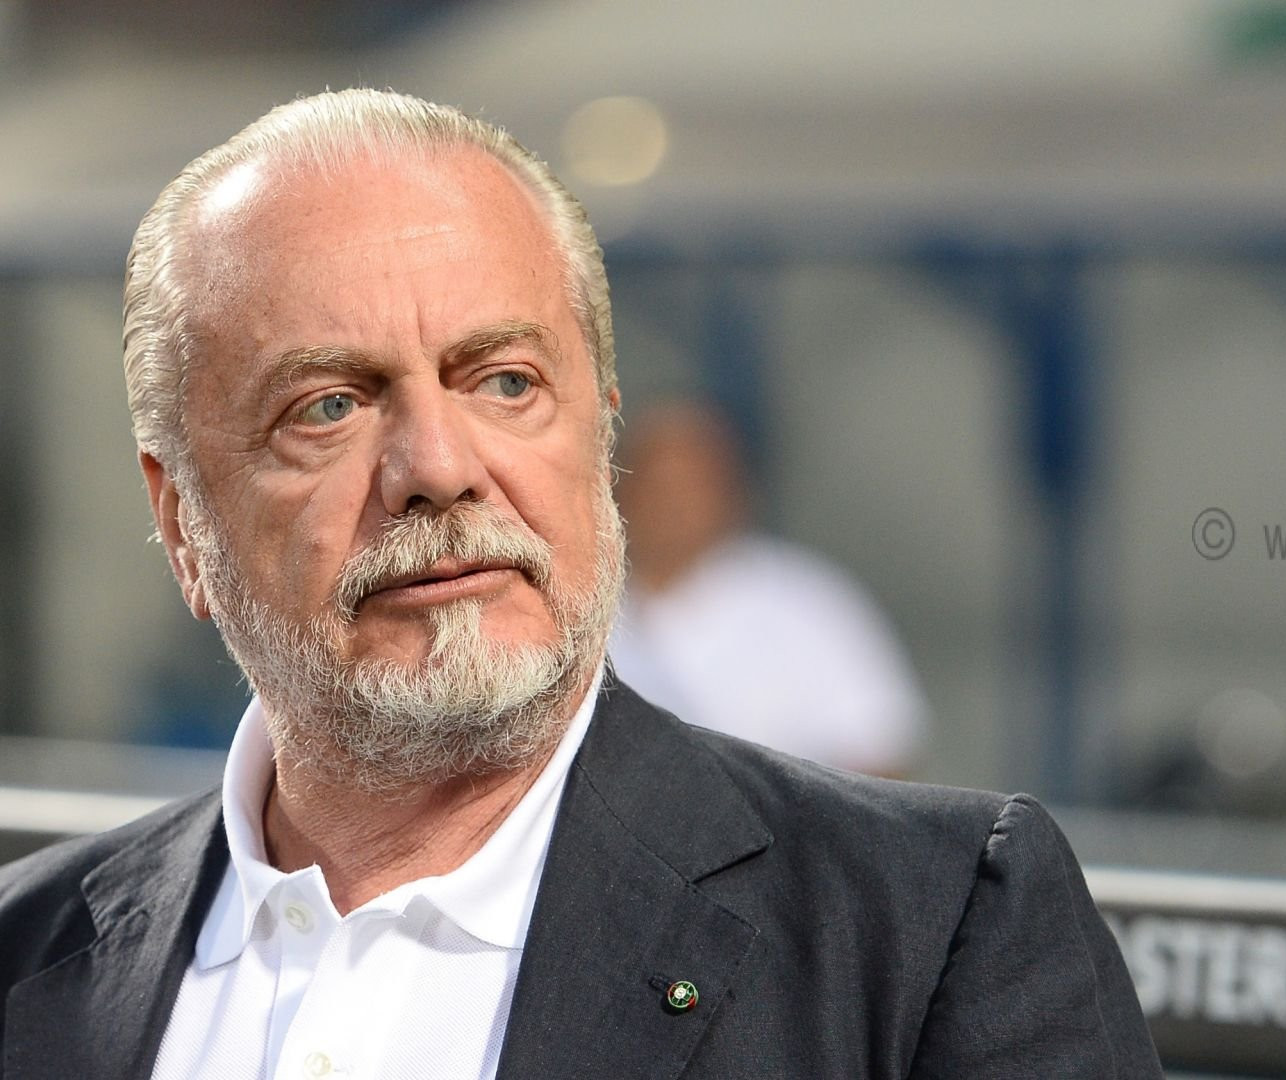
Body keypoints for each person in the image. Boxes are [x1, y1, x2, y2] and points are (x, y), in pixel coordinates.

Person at [0, 90, 1158, 1078]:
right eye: (330, 406)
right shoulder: (24, 959)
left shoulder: (930, 935)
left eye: (504, 382)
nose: (439, 468)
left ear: (600, 437)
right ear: (182, 523)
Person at [609, 399, 927, 777]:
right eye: (655, 484)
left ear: (733, 492)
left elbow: (881, 759)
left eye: (691, 486)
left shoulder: (809, 602)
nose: (671, 506)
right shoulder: (576, 602)